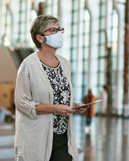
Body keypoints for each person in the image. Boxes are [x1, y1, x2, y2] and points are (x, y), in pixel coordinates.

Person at [15, 15, 87, 161]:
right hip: (38, 137)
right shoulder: (28, 65)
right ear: (40, 38)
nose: (59, 33)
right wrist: (54, 109)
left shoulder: (65, 64)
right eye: (53, 30)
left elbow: (57, 97)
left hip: (62, 138)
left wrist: (73, 106)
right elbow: (21, 103)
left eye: (60, 29)